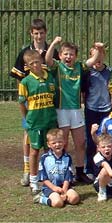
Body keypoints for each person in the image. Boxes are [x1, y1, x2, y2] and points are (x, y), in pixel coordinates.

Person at [45, 36, 103, 184]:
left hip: (76, 110)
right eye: (65, 54)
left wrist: (97, 48)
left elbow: (93, 60)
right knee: (62, 142)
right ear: (60, 55)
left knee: (81, 142)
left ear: (75, 56)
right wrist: (53, 43)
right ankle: (63, 172)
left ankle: (79, 172)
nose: (68, 57)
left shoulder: (79, 66)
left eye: (71, 54)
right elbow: (47, 59)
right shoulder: (57, 67)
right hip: (61, 109)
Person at [10, 18, 59, 187]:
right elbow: (19, 79)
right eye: (36, 33)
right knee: (29, 138)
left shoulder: (51, 51)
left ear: (46, 33)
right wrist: (23, 103)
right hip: (32, 106)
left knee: (49, 141)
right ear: (31, 34)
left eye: (41, 33)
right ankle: (27, 170)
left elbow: (56, 74)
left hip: (47, 105)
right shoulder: (25, 52)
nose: (39, 36)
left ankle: (49, 171)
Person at [18, 49, 58, 194]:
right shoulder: (25, 82)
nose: (35, 65)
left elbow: (53, 98)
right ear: (27, 66)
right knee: (34, 151)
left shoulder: (50, 78)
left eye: (37, 61)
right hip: (35, 122)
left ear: (41, 61)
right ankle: (34, 181)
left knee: (50, 150)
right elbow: (22, 103)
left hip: (50, 120)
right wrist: (26, 120)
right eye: (31, 63)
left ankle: (50, 179)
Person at [81, 44, 112, 179]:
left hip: (106, 109)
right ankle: (89, 168)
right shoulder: (87, 72)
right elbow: (83, 90)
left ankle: (106, 165)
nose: (98, 58)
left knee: (105, 139)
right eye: (95, 55)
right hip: (91, 109)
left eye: (100, 55)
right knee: (91, 139)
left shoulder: (110, 71)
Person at [34, 129, 80, 207]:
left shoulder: (67, 157)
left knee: (74, 199)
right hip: (50, 187)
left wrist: (64, 191)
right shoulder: (44, 158)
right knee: (58, 203)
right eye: (54, 143)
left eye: (60, 142)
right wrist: (54, 188)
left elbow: (68, 176)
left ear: (64, 142)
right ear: (48, 144)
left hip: (64, 186)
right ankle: (41, 198)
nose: (57, 144)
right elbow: (43, 177)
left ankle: (62, 197)